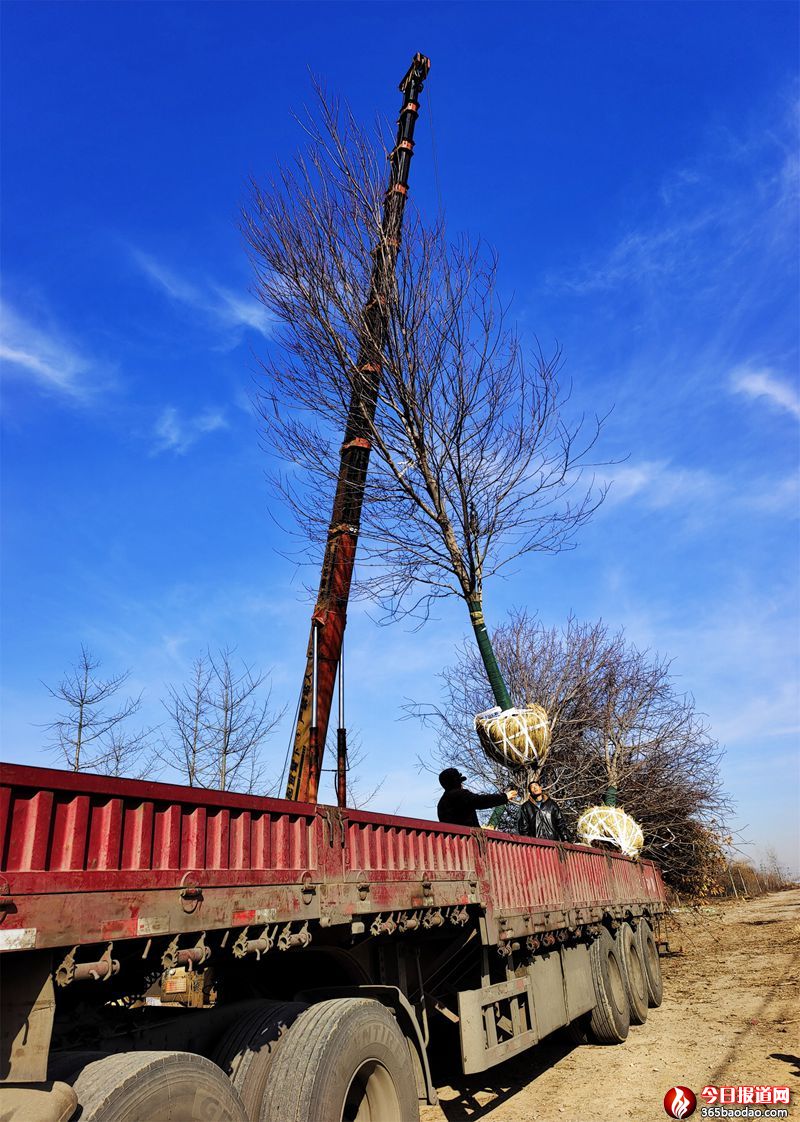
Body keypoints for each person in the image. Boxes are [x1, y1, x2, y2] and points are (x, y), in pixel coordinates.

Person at [437, 767, 518, 828]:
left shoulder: (441, 803)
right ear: (458, 782)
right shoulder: (461, 794)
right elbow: (481, 801)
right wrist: (505, 797)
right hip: (468, 840)